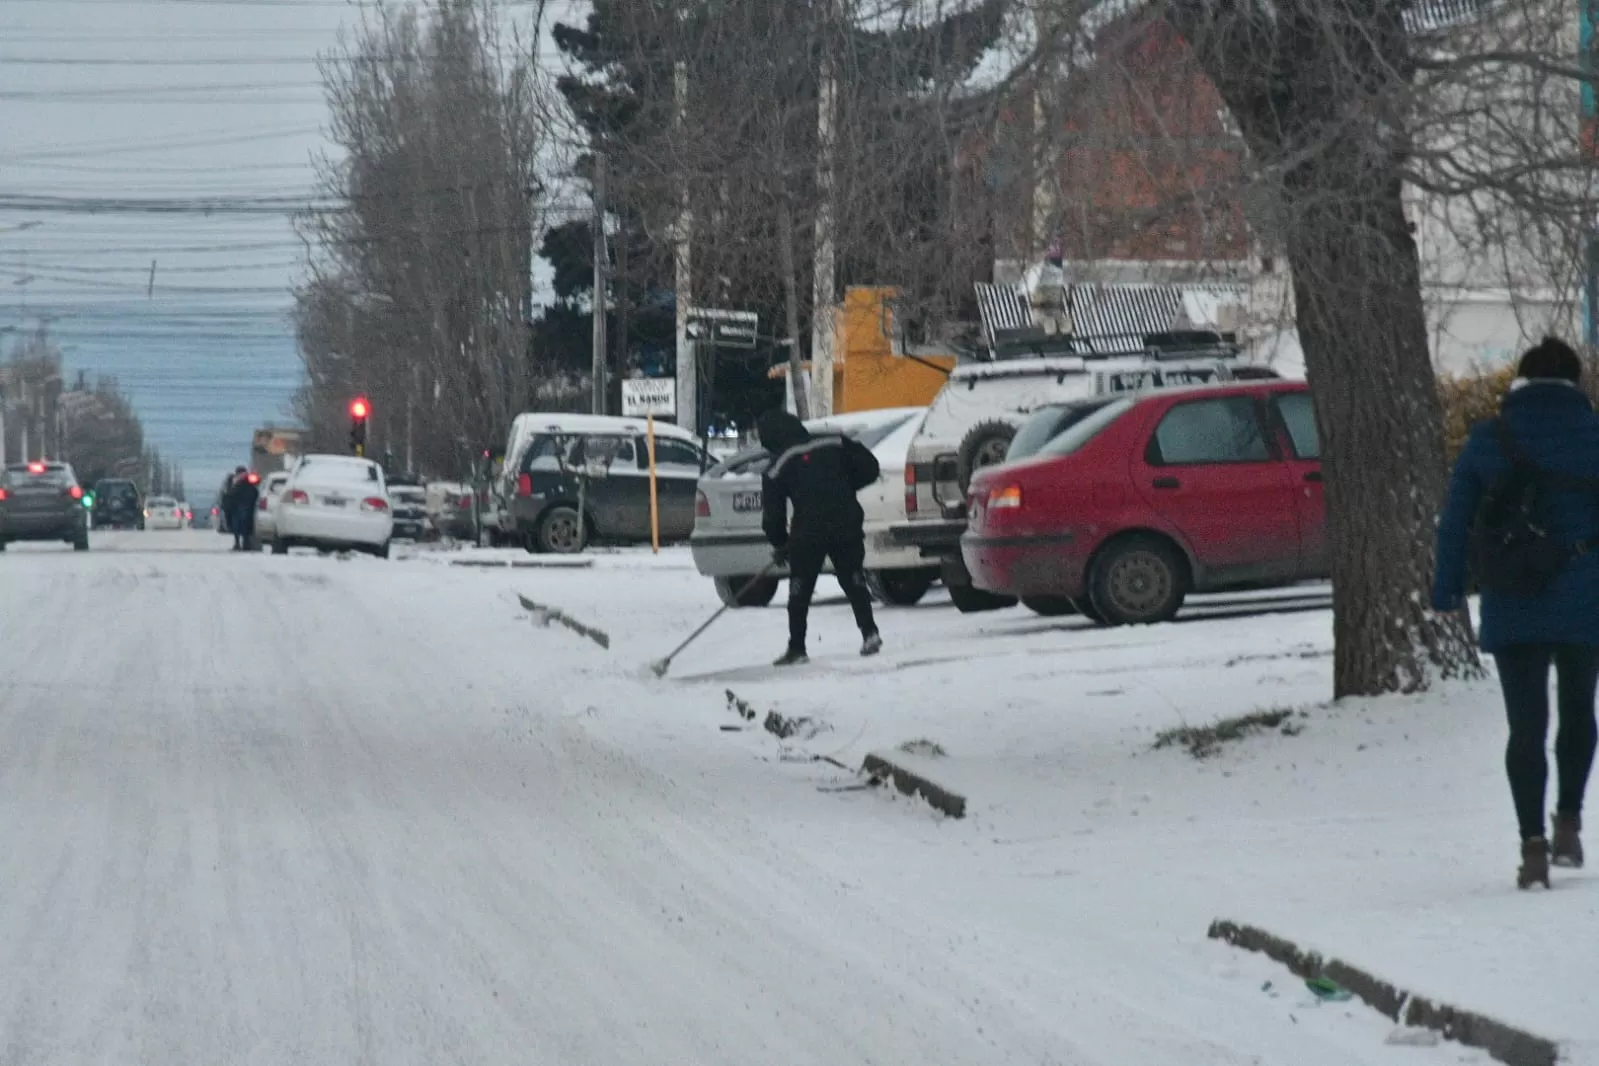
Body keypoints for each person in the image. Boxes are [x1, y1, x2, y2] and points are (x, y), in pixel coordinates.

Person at [1434, 336, 1599, 889]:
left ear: (1521, 383)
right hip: (1586, 597)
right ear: (1575, 384)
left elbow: (1455, 521)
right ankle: (1570, 823)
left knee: (1525, 726)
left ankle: (1532, 846)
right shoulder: (1593, 437)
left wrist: (1447, 588)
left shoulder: (1488, 439)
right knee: (1579, 711)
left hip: (1514, 597)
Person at [756, 409, 883, 666]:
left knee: (799, 590)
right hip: (846, 520)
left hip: (808, 532)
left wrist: (780, 543)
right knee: (853, 579)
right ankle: (870, 633)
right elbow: (871, 467)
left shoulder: (777, 465)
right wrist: (844, 487)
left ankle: (797, 648)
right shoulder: (835, 442)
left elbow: (773, 514)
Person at [227, 467, 259, 551]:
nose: (242, 475)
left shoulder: (249, 480)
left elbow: (256, 486)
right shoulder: (234, 480)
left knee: (245, 526)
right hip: (237, 506)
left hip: (246, 505)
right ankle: (239, 543)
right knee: (238, 526)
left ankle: (245, 543)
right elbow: (229, 493)